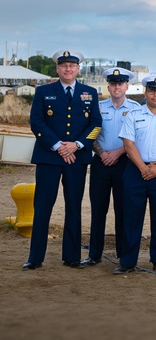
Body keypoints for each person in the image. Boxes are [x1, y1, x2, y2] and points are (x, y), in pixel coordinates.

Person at [23, 49, 101, 271]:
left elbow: (96, 125)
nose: (68, 69)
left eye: (72, 66)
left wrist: (76, 145)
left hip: (77, 158)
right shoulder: (43, 91)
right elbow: (36, 123)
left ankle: (72, 256)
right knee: (43, 207)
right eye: (64, 65)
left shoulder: (90, 92)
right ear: (57, 69)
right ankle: (35, 258)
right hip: (49, 157)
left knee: (74, 207)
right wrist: (58, 146)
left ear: (78, 69)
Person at [116, 74, 156, 274]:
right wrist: (144, 169)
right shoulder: (134, 115)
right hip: (136, 171)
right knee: (131, 217)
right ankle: (127, 262)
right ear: (146, 92)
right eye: (152, 90)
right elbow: (128, 144)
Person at [84, 67, 138, 266]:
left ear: (127, 86)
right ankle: (94, 254)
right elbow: (89, 134)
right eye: (113, 84)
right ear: (108, 86)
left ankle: (123, 254)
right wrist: (102, 153)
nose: (117, 87)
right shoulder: (97, 108)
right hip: (100, 162)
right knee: (98, 210)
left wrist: (117, 153)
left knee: (123, 210)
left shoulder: (135, 108)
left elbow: (136, 138)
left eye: (120, 83)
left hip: (125, 163)